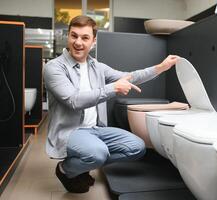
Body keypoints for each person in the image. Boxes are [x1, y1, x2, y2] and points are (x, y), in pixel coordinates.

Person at [44, 15, 179, 193]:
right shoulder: (54, 67)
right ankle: (65, 170)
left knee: (136, 147)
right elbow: (73, 100)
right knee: (98, 154)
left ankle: (82, 167)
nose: (78, 42)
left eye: (85, 38)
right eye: (74, 36)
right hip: (70, 131)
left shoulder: (97, 66)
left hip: (96, 129)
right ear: (68, 36)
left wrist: (160, 67)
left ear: (93, 41)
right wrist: (112, 88)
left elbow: (130, 76)